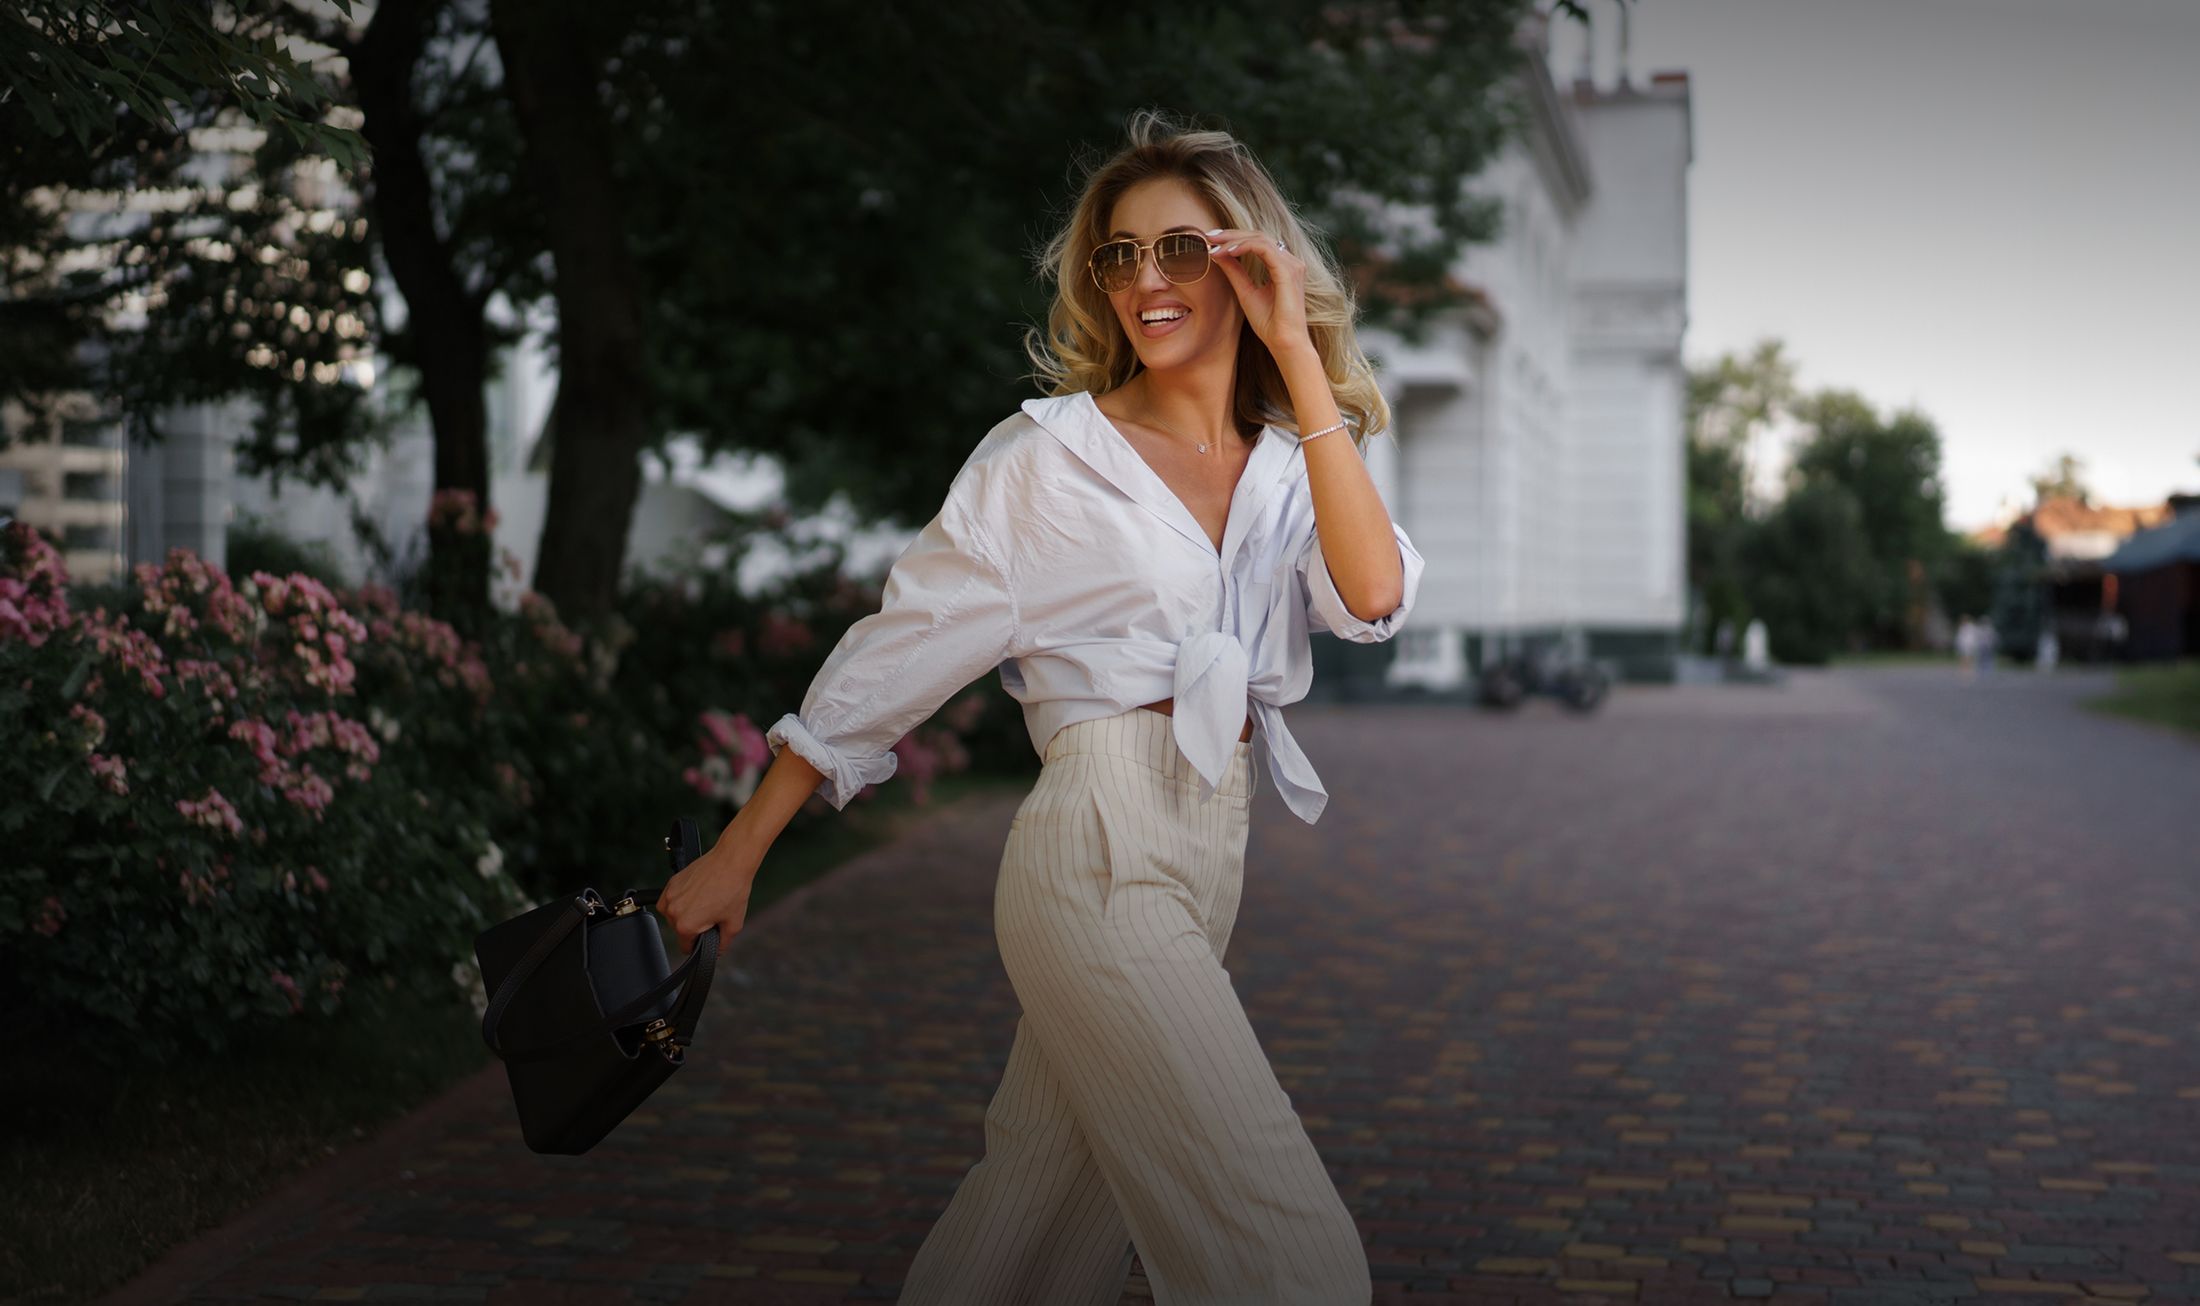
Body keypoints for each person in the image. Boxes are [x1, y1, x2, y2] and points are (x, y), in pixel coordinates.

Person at [659, 108, 1422, 1305]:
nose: (1143, 280)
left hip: (1206, 850)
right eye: (1120, 255)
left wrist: (1303, 363)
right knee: (1290, 1256)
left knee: (1032, 1229)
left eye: (1180, 248)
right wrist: (740, 850)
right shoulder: (1049, 458)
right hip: (1097, 852)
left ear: (1248, 258)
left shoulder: (1291, 461)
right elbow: (895, 652)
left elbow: (1371, 593)